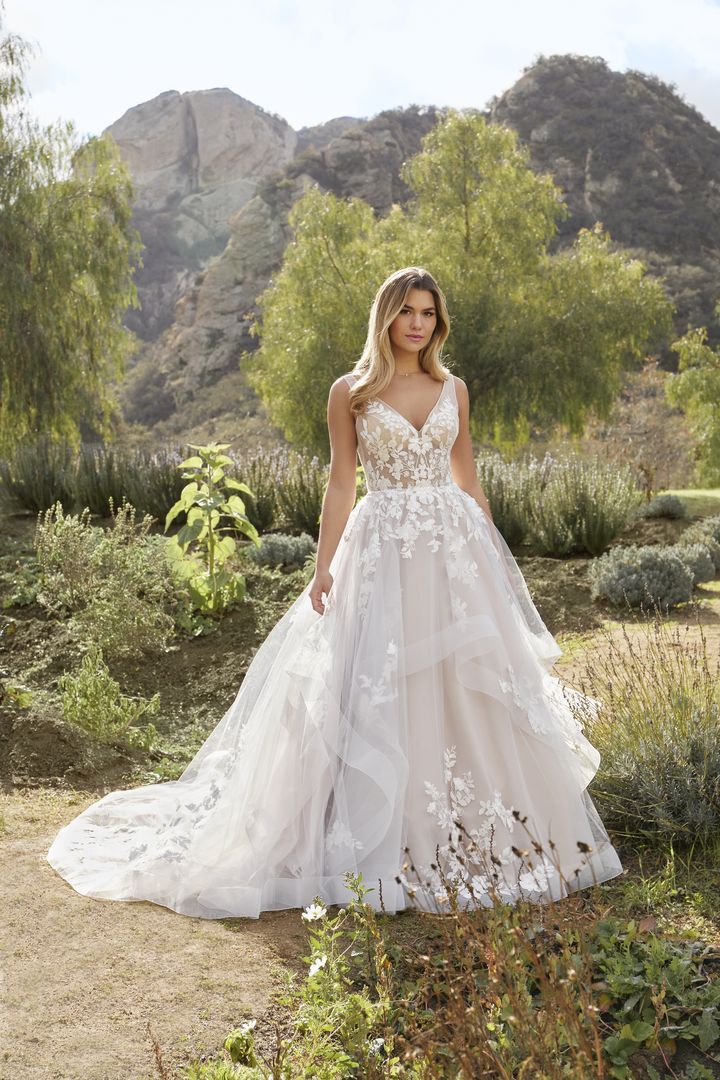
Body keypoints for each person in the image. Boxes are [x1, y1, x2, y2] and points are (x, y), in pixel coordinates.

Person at [46, 266, 623, 919]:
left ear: (438, 323)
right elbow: (342, 485)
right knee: (378, 685)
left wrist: (491, 557)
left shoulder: (452, 389)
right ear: (386, 317)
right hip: (381, 551)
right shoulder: (349, 392)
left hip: (451, 552)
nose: (417, 323)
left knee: (464, 686)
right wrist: (323, 567)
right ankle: (378, 834)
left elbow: (468, 478)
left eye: (428, 314)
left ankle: (474, 827)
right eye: (407, 311)